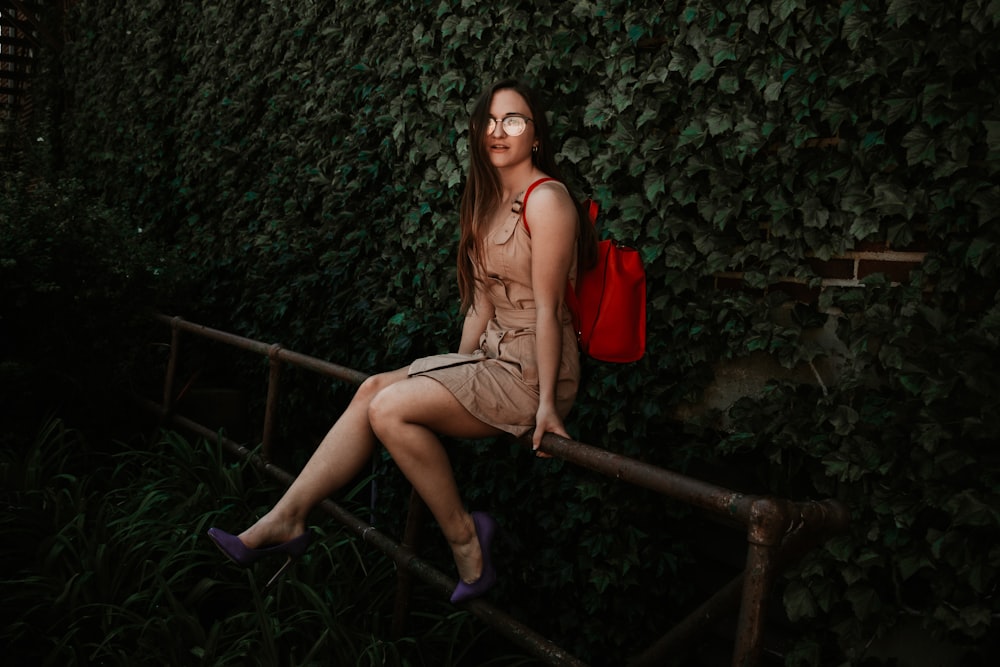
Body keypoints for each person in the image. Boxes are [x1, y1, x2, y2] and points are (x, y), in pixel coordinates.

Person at [208, 79, 598, 603]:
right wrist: (456, 377)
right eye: (489, 120)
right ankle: (287, 518)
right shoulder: (487, 203)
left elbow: (549, 310)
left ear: (537, 136)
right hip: (491, 361)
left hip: (534, 372)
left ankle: (467, 539)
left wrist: (550, 405)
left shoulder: (547, 200)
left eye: (514, 120)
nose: (498, 131)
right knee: (372, 389)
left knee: (389, 409)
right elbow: (480, 306)